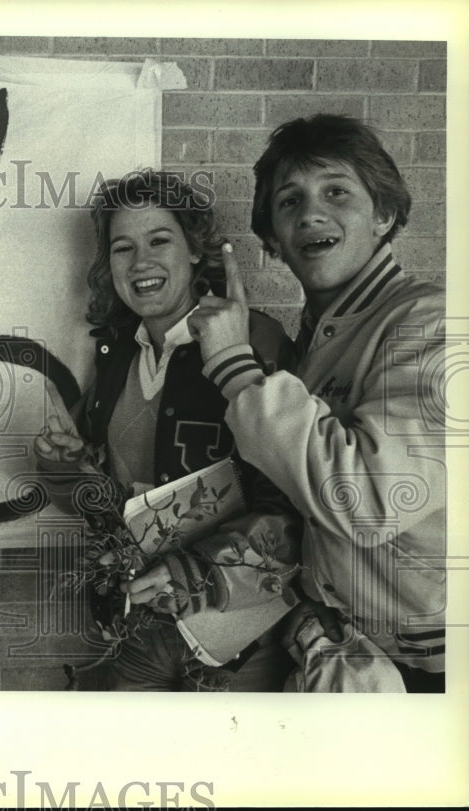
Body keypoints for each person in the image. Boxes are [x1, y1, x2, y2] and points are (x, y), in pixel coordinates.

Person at [188, 114, 446, 692]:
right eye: (290, 201)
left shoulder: (432, 323)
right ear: (275, 241)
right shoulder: (314, 338)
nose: (311, 214)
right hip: (343, 656)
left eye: (337, 192)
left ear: (383, 215)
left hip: (430, 675)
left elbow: (368, 498)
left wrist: (234, 366)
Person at [35, 169, 301, 691]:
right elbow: (120, 505)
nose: (141, 262)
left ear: (196, 251)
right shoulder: (116, 353)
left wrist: (194, 573)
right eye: (122, 248)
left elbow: (296, 505)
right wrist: (71, 468)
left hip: (240, 634)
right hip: (141, 626)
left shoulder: (253, 342)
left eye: (160, 239)